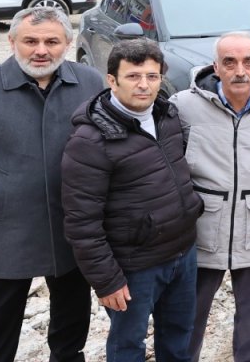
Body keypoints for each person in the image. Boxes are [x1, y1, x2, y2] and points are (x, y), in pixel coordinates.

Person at [0, 6, 104, 362]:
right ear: (12, 41)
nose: (41, 50)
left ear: (67, 43)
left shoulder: (89, 82)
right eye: (30, 41)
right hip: (6, 228)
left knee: (71, 323)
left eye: (52, 41)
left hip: (73, 226)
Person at [61, 38, 204, 362]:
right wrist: (107, 281)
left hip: (182, 254)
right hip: (134, 266)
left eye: (152, 76)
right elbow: (82, 223)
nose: (144, 85)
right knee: (128, 346)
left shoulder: (167, 115)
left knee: (179, 338)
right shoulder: (90, 141)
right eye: (133, 76)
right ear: (112, 80)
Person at [171, 32, 250, 362]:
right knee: (186, 319)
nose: (240, 70)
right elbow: (168, 158)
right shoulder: (184, 106)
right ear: (216, 67)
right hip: (200, 231)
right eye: (230, 62)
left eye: (248, 61)